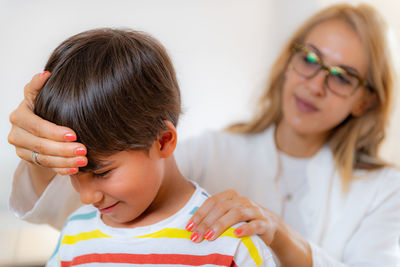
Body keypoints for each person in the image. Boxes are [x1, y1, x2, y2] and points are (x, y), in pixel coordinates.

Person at [8, 3, 400, 267]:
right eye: (309, 59)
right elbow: (83, 212)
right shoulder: (208, 153)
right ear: (288, 61)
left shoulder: (386, 191)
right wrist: (44, 148)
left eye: (342, 77)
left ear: (365, 101)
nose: (315, 85)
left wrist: (280, 237)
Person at [30, 28, 275, 266]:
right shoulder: (75, 236)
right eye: (74, 174)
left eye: (102, 172)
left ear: (163, 140)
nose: (86, 197)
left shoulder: (230, 243)